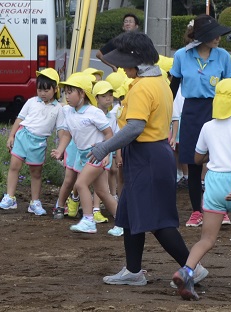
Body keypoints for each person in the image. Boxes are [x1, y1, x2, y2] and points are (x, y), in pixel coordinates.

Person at [87, 31, 208, 286]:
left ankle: (192, 269)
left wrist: (103, 148)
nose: (119, 66)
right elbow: (104, 55)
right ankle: (133, 271)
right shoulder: (158, 80)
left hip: (148, 156)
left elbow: (134, 128)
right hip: (150, 155)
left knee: (158, 221)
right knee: (130, 216)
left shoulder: (143, 86)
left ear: (137, 60)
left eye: (123, 60)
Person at [172, 78, 231, 300]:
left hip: (213, 182)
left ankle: (187, 270)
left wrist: (215, 154)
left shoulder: (207, 127)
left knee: (207, 239)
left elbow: (197, 158)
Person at [170, 14, 231, 227]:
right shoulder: (182, 55)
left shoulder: (223, 56)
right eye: (213, 35)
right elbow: (173, 86)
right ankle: (197, 211)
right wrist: (164, 110)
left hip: (217, 111)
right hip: (191, 111)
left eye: (218, 34)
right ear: (200, 36)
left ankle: (220, 209)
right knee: (193, 163)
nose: (217, 38)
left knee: (219, 162)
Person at [51, 74, 114, 234]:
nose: (67, 96)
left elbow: (109, 134)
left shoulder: (94, 112)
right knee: (102, 193)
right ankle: (124, 223)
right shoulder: (69, 112)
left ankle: (88, 220)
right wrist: (60, 150)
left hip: (97, 154)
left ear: (82, 93)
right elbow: (67, 135)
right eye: (65, 92)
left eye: (71, 92)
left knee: (80, 184)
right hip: (83, 156)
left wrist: (106, 152)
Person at [0, 68, 64, 215]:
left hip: (39, 143)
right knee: (14, 166)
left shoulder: (58, 109)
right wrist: (11, 136)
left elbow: (61, 129)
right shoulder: (31, 102)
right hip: (23, 136)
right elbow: (19, 119)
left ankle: (35, 202)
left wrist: (61, 147)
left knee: (36, 172)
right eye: (40, 90)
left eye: (46, 90)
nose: (42, 93)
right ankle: (10, 197)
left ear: (55, 89)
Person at [92, 80, 124, 236]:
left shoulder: (112, 116)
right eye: (104, 96)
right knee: (99, 181)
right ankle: (96, 209)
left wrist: (118, 155)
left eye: (110, 95)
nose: (108, 99)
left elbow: (117, 137)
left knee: (105, 179)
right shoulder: (92, 113)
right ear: (96, 98)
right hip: (96, 152)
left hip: (108, 152)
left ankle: (109, 205)